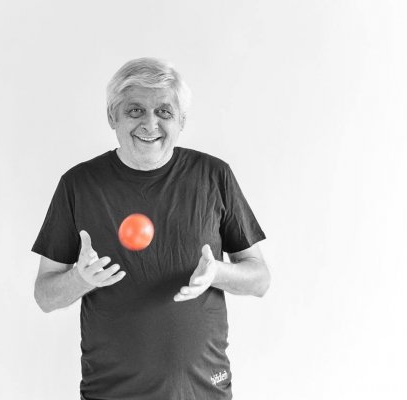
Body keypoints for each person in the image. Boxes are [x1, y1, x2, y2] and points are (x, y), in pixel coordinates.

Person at [32, 57, 271, 400]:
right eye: (135, 111)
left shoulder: (213, 176)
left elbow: (260, 279)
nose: (150, 123)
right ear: (112, 116)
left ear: (181, 120)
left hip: (203, 391)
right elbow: (44, 295)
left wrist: (217, 273)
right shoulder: (78, 185)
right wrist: (80, 279)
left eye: (164, 112)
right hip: (111, 393)